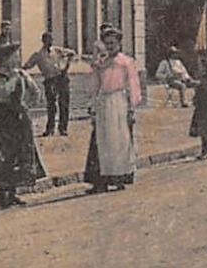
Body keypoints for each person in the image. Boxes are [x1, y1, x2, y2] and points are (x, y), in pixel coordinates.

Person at [0, 43, 46, 208]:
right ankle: (2, 194)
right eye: (15, 56)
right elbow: (3, 93)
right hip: (4, 118)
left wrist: (27, 105)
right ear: (5, 59)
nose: (18, 59)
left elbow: (36, 92)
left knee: (19, 153)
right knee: (2, 154)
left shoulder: (22, 74)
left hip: (20, 118)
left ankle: (13, 193)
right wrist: (14, 78)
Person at [85, 26, 142, 193]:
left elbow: (133, 85)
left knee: (119, 141)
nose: (110, 46)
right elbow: (95, 86)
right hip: (104, 103)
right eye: (107, 43)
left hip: (119, 103)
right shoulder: (101, 64)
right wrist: (93, 105)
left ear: (119, 43)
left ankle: (119, 178)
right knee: (101, 141)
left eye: (112, 43)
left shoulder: (126, 62)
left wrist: (132, 107)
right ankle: (100, 181)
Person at [24, 32, 76, 137]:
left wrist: (66, 65)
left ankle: (63, 128)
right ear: (43, 41)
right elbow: (28, 65)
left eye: (51, 39)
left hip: (61, 78)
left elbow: (72, 53)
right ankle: (50, 129)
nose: (50, 42)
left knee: (64, 104)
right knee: (51, 105)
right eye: (48, 40)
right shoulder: (38, 55)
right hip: (49, 80)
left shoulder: (57, 50)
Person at [190, 54, 207, 159]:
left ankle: (206, 151)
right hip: (202, 106)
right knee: (203, 130)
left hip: (205, 107)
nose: (199, 68)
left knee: (205, 130)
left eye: (200, 65)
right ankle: (206, 150)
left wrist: (197, 86)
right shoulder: (206, 78)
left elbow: (206, 92)